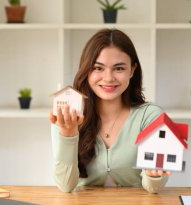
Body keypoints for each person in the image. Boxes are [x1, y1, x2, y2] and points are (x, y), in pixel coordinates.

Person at [49, 28, 170, 193]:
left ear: (132, 70)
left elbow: (153, 189)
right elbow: (65, 185)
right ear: (87, 70)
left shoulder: (151, 116)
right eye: (98, 68)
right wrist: (68, 135)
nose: (108, 78)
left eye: (119, 68)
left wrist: (154, 175)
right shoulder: (67, 114)